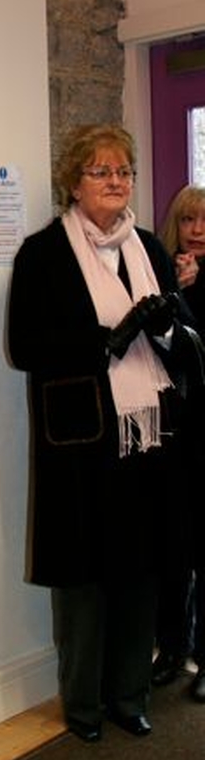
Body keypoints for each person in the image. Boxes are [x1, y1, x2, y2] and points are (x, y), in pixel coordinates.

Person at [7, 124, 193, 744]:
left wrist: (164, 328)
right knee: (85, 580)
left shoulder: (150, 248)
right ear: (74, 182)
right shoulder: (42, 252)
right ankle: (84, 705)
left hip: (149, 440)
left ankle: (129, 694)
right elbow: (25, 346)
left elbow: (185, 339)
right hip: (82, 443)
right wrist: (107, 339)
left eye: (124, 172)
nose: (115, 182)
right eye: (101, 172)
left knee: (140, 573)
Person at [152, 185, 205, 701]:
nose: (197, 229)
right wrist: (175, 292)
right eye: (188, 219)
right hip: (171, 431)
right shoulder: (159, 270)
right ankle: (171, 648)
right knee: (171, 547)